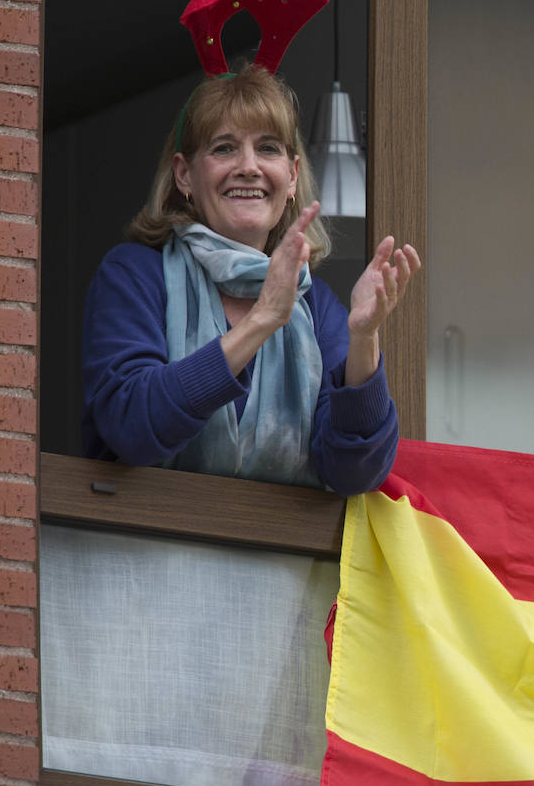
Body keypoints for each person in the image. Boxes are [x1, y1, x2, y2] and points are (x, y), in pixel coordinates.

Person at [81, 64, 420, 495]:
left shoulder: (317, 307)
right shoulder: (134, 273)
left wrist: (364, 337)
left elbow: (354, 473)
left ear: (293, 176)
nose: (248, 167)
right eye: (224, 149)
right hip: (142, 552)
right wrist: (262, 320)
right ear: (184, 175)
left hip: (278, 562)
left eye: (268, 148)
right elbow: (131, 428)